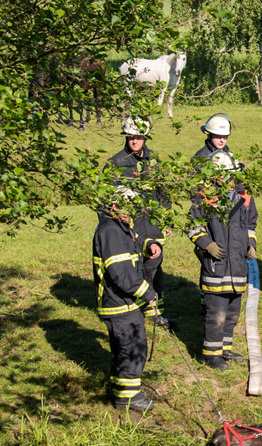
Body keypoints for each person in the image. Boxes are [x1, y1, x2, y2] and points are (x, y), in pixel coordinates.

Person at [92, 187, 162, 412]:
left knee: (122, 349)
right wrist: (147, 292)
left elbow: (132, 250)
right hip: (118, 303)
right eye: (127, 207)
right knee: (133, 347)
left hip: (122, 302)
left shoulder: (120, 227)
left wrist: (147, 245)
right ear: (114, 206)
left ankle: (119, 388)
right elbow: (121, 274)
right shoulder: (111, 231)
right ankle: (128, 398)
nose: (131, 212)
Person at [188, 150, 258, 371]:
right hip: (216, 266)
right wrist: (206, 244)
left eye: (228, 174)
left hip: (237, 264)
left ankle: (225, 348)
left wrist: (251, 244)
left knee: (232, 311)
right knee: (216, 313)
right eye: (221, 174)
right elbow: (192, 225)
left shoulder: (245, 196)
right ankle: (210, 354)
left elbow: (251, 224)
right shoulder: (204, 196)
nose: (225, 178)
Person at [106, 117, 169, 322]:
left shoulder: (155, 162)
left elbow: (164, 196)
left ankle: (152, 311)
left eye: (139, 137)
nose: (135, 141)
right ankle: (134, 309)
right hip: (128, 227)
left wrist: (166, 222)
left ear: (145, 138)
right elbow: (104, 202)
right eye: (131, 137)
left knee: (153, 267)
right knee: (132, 270)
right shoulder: (115, 163)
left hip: (152, 226)